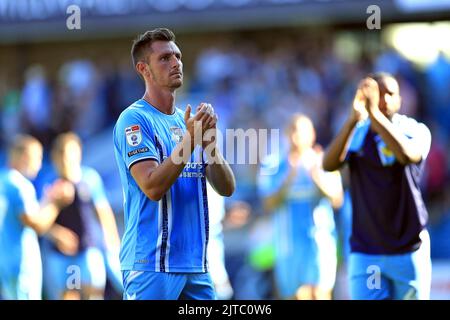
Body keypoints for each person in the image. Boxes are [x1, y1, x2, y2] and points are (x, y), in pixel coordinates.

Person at [113, 28, 235, 300]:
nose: (176, 62)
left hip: (195, 264)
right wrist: (191, 142)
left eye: (177, 56)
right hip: (151, 264)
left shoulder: (186, 121)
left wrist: (210, 148)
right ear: (144, 69)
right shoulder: (133, 120)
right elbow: (153, 187)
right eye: (165, 58)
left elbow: (227, 188)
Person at [322, 72, 432, 300]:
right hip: (368, 250)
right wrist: (353, 119)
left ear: (400, 100)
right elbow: (328, 163)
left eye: (390, 94)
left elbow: (406, 155)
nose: (383, 100)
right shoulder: (357, 133)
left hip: (409, 246)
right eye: (377, 94)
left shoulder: (415, 130)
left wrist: (374, 116)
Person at [259, 114, 343, 300]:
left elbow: (337, 199)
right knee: (294, 296)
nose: (296, 136)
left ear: (312, 134)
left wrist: (317, 178)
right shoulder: (273, 164)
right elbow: (268, 203)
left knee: (320, 293)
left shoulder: (323, 161)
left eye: (301, 131)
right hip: (288, 245)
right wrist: (289, 177)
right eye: (293, 131)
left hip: (319, 242)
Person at [40, 132, 122, 300]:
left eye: (70, 154)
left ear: (78, 154)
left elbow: (103, 211)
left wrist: (112, 241)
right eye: (61, 154)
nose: (66, 159)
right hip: (60, 254)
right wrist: (57, 235)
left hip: (88, 249)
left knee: (93, 293)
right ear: (55, 157)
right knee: (69, 295)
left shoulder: (89, 178)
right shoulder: (49, 182)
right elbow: (40, 220)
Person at [0, 135, 73, 300]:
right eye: (37, 157)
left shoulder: (3, 180)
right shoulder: (21, 185)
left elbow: (23, 219)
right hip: (21, 265)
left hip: (5, 261)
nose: (39, 165)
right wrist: (56, 203)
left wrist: (47, 201)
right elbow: (36, 224)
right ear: (24, 156)